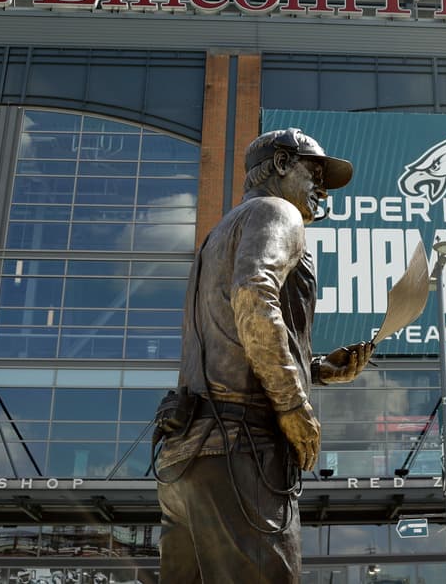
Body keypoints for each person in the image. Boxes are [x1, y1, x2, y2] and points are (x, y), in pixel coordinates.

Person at [154, 128, 375, 583]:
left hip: (187, 460)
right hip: (241, 453)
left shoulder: (219, 235)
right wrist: (294, 404)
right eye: (314, 172)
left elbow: (233, 335)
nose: (321, 188)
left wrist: (315, 371)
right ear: (279, 164)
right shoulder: (277, 211)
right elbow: (254, 294)